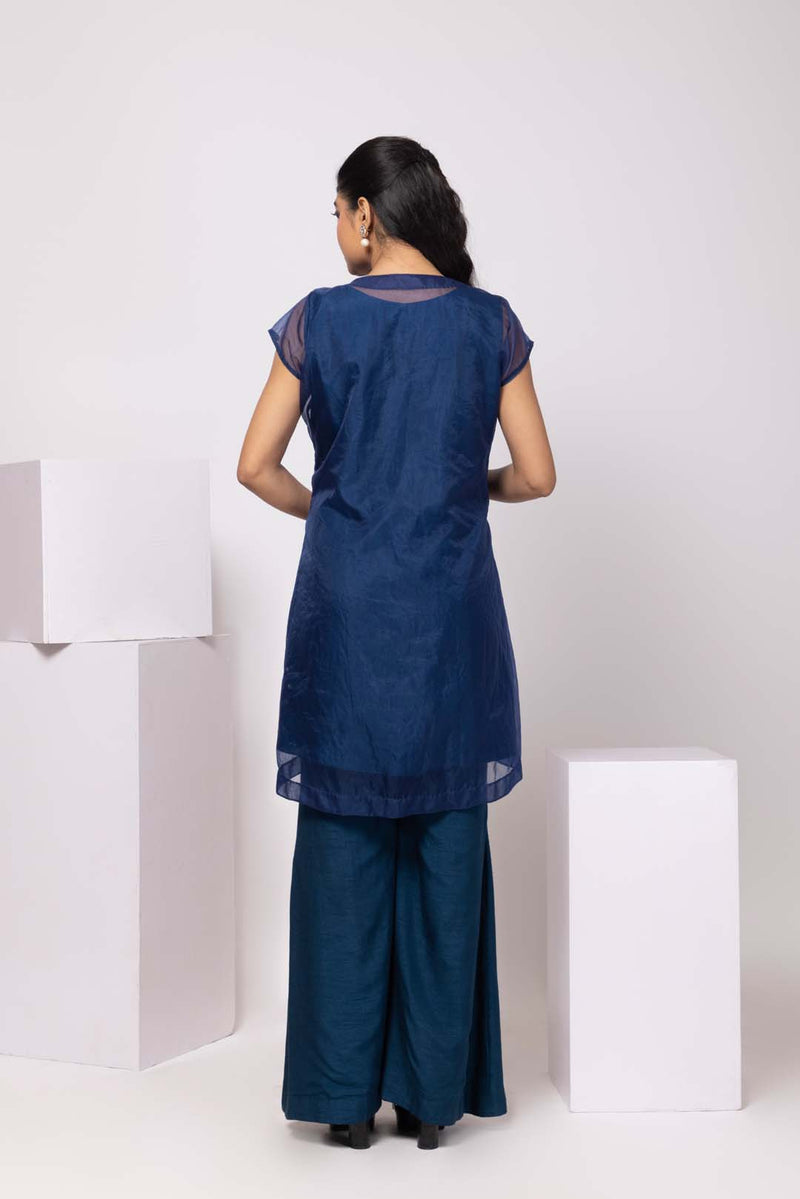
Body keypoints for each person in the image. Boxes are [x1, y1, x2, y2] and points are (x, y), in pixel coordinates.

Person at [237, 136, 556, 1150]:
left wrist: (337, 510)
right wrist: (464, 489)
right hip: (450, 619)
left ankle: (342, 1098)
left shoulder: (318, 320)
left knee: (342, 848)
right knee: (446, 846)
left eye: (337, 210)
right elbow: (537, 474)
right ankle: (430, 1096)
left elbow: (255, 465)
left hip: (346, 614)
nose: (335, 229)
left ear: (367, 213)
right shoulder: (488, 324)